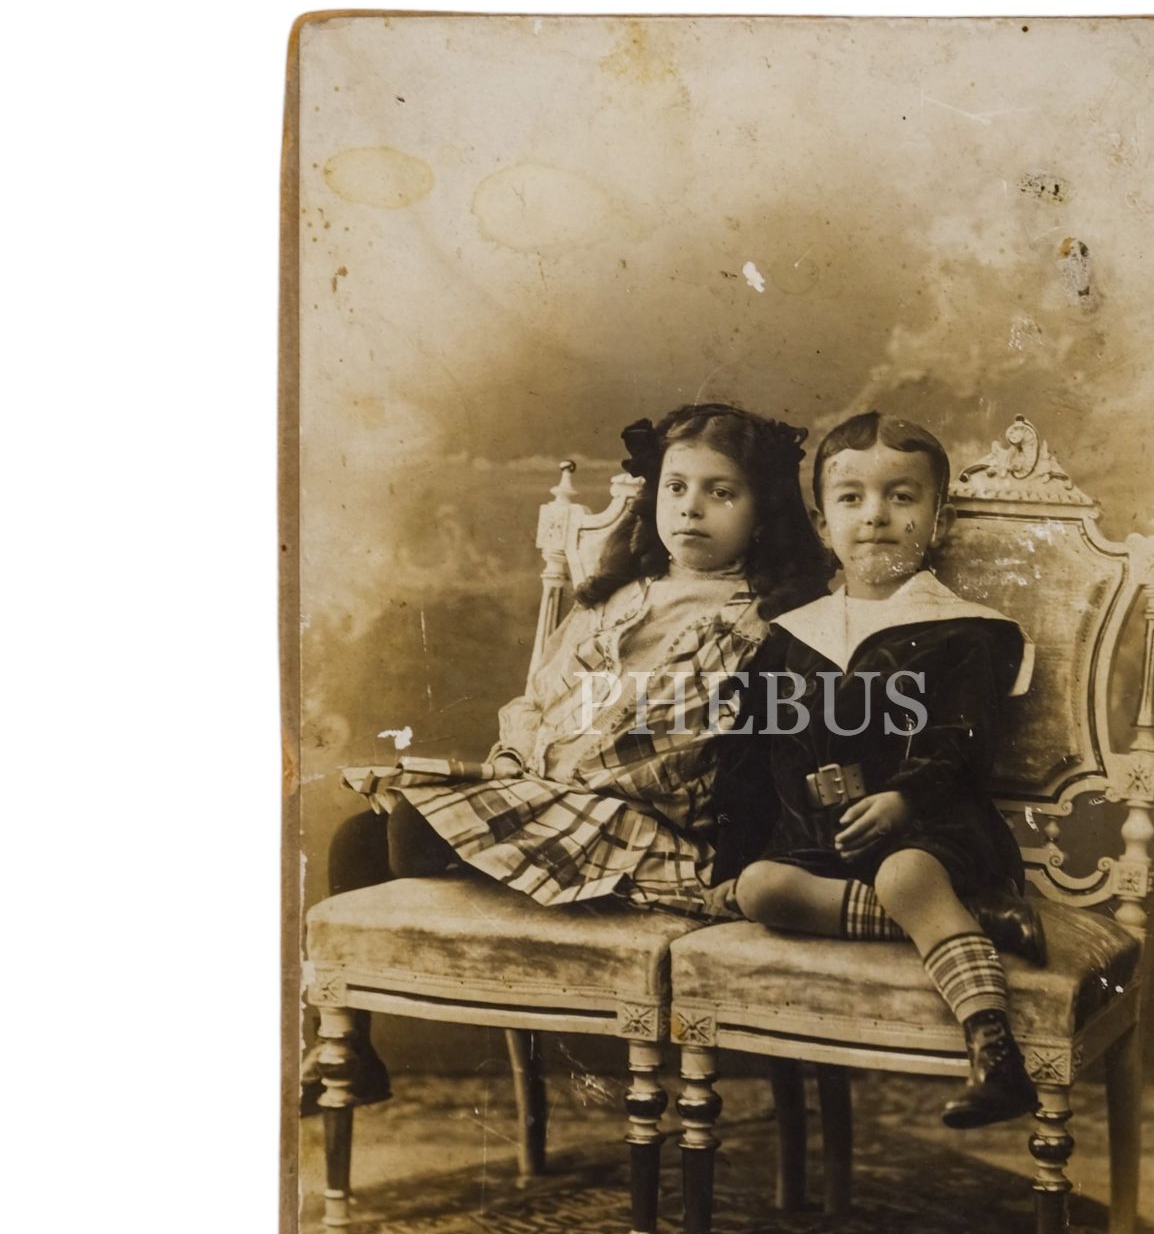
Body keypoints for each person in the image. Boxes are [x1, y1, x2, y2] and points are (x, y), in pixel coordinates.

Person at [306, 403, 826, 1111]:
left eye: (721, 492)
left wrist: (555, 776)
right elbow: (543, 696)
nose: (691, 508)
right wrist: (514, 761)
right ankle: (348, 1051)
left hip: (641, 814)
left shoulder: (757, 620)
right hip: (555, 789)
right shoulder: (618, 597)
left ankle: (483, 855)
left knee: (408, 827)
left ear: (763, 512)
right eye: (676, 488)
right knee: (357, 838)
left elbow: (686, 744)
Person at [711, 412, 1046, 1129]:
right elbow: (754, 755)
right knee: (761, 887)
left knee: (905, 877)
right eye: (851, 497)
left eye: (902, 497)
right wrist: (731, 858)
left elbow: (964, 741)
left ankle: (993, 1047)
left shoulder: (965, 631)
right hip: (821, 842)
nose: (876, 516)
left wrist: (904, 799)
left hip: (932, 831)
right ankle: (974, 924)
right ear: (821, 522)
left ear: (938, 519)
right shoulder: (792, 636)